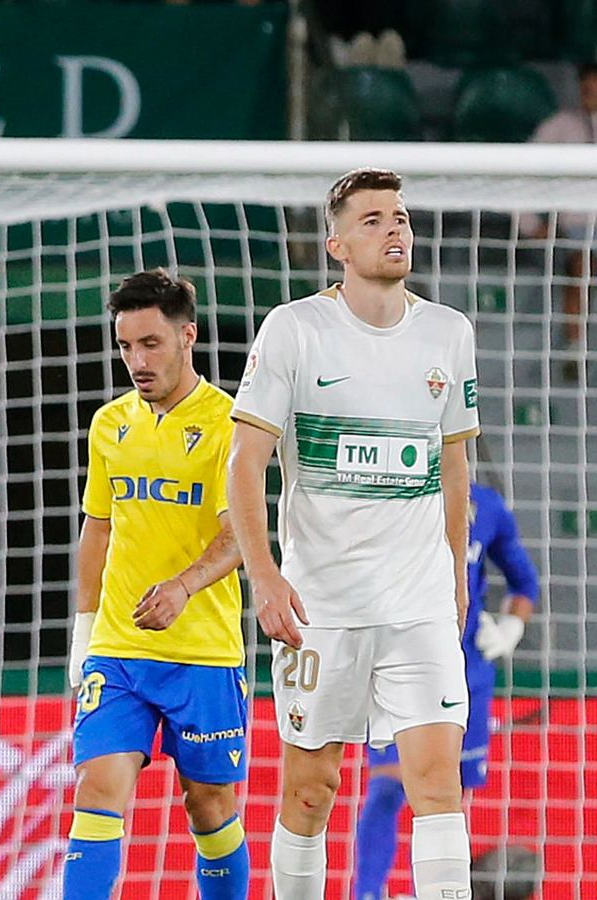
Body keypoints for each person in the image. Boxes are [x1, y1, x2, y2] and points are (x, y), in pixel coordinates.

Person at [228, 167, 481, 900]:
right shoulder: (296, 329)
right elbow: (244, 463)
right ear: (336, 244)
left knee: (438, 783)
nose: (394, 228)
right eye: (372, 219)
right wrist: (266, 577)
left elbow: (453, 459)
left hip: (420, 603)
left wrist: (456, 576)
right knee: (312, 790)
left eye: (399, 216)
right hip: (323, 608)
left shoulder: (447, 333)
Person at [62, 269, 249, 900]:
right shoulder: (110, 424)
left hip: (203, 651)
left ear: (187, 335)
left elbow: (241, 536)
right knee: (97, 789)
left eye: (150, 344)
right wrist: (85, 630)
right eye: (124, 346)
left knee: (209, 807)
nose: (136, 361)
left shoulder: (230, 424)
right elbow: (98, 530)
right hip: (120, 649)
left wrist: (184, 586)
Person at [353, 479, 538, 900]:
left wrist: (512, 625)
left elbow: (524, 581)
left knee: (446, 798)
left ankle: (434, 892)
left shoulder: (485, 507)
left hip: (465, 674)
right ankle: (366, 893)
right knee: (387, 784)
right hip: (397, 664)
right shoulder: (389, 494)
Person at [528, 62, 597, 379]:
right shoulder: (559, 127)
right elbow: (516, 175)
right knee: (582, 264)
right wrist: (531, 225)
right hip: (571, 229)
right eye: (587, 89)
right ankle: (574, 350)